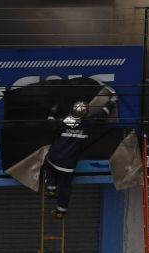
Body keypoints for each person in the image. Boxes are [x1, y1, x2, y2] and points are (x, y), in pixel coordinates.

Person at [43, 88, 117, 218]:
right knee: (65, 187)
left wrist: (52, 111)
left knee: (49, 166)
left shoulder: (66, 122)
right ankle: (61, 211)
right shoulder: (87, 124)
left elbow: (50, 123)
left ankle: (50, 189)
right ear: (85, 113)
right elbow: (103, 114)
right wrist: (112, 100)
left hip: (54, 158)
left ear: (71, 111)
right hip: (68, 165)